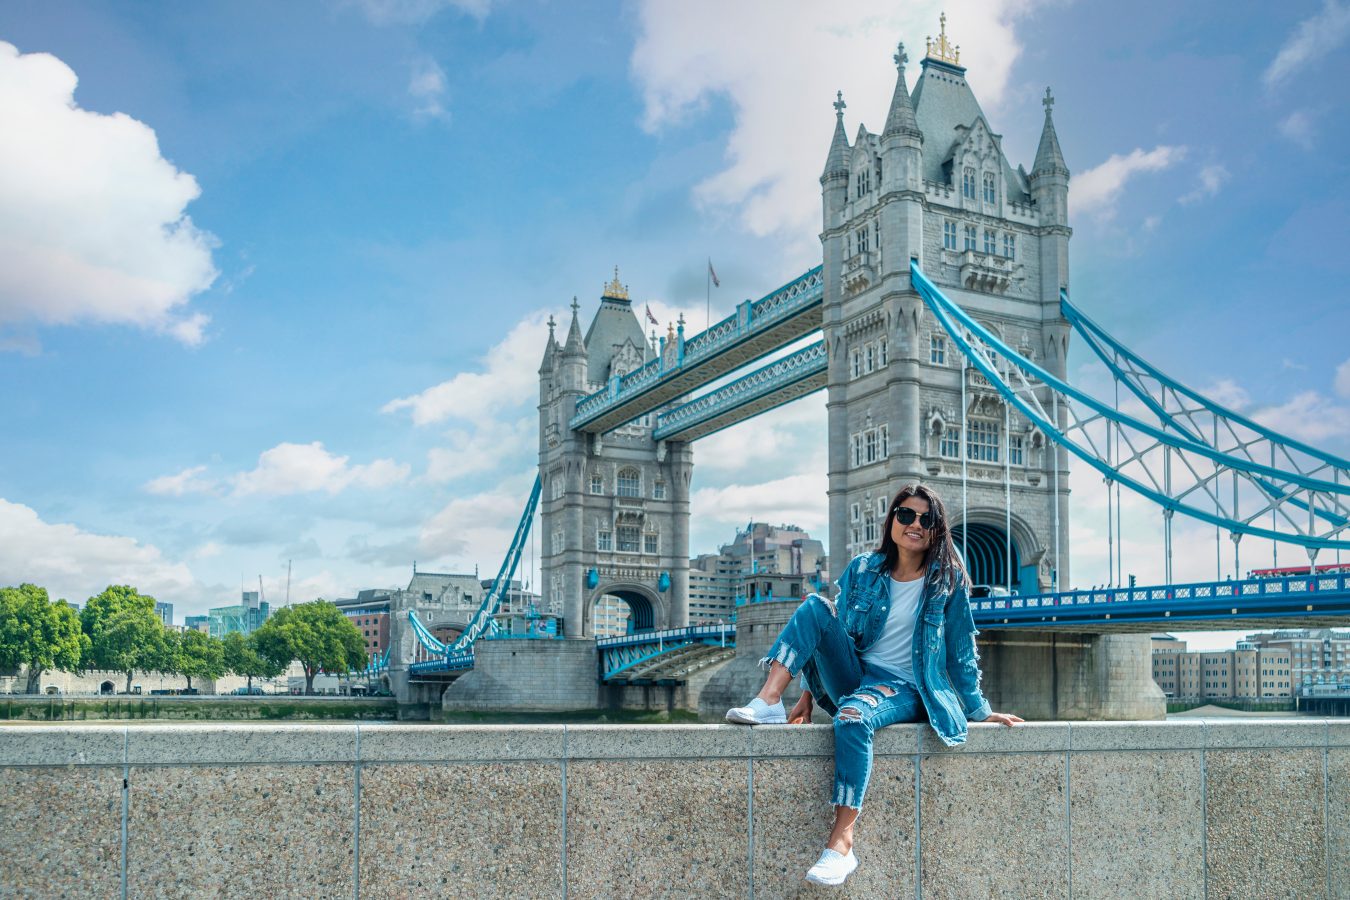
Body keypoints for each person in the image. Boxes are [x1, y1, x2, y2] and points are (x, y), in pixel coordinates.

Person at [725, 483, 1023, 886]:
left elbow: (960, 653)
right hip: (856, 675)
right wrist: (809, 695)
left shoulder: (947, 582)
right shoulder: (864, 569)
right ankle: (770, 699)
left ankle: (842, 842)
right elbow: (836, 635)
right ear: (892, 520)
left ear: (937, 529)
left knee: (851, 718)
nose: (914, 524)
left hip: (907, 687)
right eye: (905, 515)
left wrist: (979, 710)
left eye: (926, 518)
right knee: (816, 606)